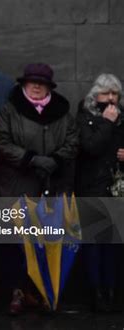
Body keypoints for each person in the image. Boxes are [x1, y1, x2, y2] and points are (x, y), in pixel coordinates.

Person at [0, 63, 78, 314]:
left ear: (50, 86)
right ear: (24, 84)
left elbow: (73, 141)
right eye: (32, 82)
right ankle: (16, 292)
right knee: (17, 245)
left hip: (51, 189)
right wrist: (30, 159)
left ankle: (40, 293)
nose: (37, 86)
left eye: (42, 83)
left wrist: (55, 160)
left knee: (48, 243)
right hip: (17, 187)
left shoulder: (63, 113)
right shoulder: (9, 110)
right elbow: (1, 139)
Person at [75, 73, 124, 312]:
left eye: (115, 93)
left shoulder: (121, 118)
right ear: (96, 95)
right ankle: (95, 294)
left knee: (114, 245)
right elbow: (90, 147)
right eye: (106, 93)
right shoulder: (85, 116)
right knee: (93, 244)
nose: (111, 98)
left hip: (115, 189)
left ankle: (113, 292)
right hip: (91, 188)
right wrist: (106, 122)